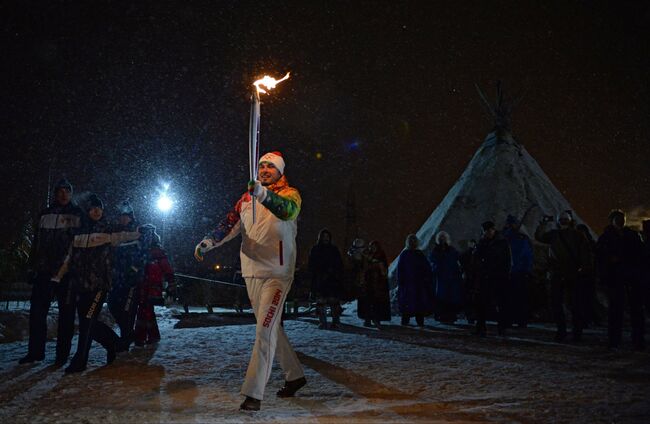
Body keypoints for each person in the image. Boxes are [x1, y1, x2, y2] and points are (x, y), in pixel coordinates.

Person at [194, 151, 306, 411]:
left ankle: (253, 394)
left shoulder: (290, 194)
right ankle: (295, 375)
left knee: (264, 331)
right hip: (251, 271)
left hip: (277, 273)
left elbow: (287, 212)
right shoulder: (245, 198)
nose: (265, 169)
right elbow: (228, 225)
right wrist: (207, 243)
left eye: (270, 166)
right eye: (261, 165)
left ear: (280, 171)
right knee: (271, 328)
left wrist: (262, 194)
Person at [52, 194, 141, 373]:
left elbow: (126, 235)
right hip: (80, 285)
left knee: (87, 321)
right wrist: (58, 276)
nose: (96, 211)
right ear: (87, 210)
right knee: (88, 322)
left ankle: (80, 360)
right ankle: (113, 343)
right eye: (93, 208)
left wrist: (139, 232)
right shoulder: (78, 232)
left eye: (99, 208)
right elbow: (69, 258)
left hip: (100, 285)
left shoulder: (107, 229)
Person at [19, 178, 83, 366]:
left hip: (67, 273)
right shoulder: (44, 214)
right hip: (44, 271)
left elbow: (81, 245)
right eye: (60, 191)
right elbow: (36, 243)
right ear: (55, 194)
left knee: (67, 315)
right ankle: (35, 352)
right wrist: (32, 266)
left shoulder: (78, 215)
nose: (63, 194)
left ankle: (61, 356)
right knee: (37, 313)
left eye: (67, 191)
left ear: (71, 194)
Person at [535, 211, 593, 342]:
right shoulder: (557, 235)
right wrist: (543, 224)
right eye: (562, 220)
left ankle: (573, 332)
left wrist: (583, 270)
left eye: (565, 220)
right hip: (560, 272)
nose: (563, 222)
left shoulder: (577, 235)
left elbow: (585, 254)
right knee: (560, 304)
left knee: (572, 304)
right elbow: (539, 236)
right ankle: (565, 331)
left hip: (571, 273)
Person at [596, 210, 644, 350]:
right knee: (616, 310)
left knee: (635, 310)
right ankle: (615, 340)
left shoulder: (631, 235)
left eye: (622, 218)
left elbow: (640, 254)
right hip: (615, 278)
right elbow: (601, 257)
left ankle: (637, 340)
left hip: (631, 277)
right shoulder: (606, 238)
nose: (620, 221)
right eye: (617, 219)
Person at [108, 201, 144, 352]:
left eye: (126, 216)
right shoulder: (115, 232)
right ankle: (129, 335)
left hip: (132, 279)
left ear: (131, 217)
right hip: (117, 278)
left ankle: (125, 340)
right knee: (113, 305)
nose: (123, 219)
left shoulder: (138, 230)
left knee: (128, 311)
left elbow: (144, 254)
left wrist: (133, 270)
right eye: (121, 216)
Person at [134, 224, 175, 347]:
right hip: (143, 285)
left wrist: (171, 282)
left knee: (145, 310)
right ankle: (149, 335)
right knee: (145, 310)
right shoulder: (141, 249)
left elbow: (165, 267)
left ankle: (143, 337)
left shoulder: (155, 251)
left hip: (151, 285)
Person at [473, 221, 512, 337]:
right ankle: (481, 327)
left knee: (501, 303)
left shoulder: (502, 243)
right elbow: (476, 258)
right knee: (481, 303)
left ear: (493, 230)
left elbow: (507, 260)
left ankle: (502, 327)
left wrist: (505, 274)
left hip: (499, 276)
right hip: (485, 277)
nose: (487, 233)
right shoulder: (482, 242)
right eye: (485, 231)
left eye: (489, 230)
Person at [308, 228, 344, 329]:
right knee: (321, 302)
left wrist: (335, 274)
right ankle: (322, 322)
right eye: (324, 237)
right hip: (320, 279)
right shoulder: (315, 249)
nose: (325, 239)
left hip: (332, 279)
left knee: (334, 302)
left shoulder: (334, 249)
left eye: (327, 237)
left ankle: (335, 322)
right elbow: (311, 265)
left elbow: (339, 264)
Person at [503, 214, 534, 328]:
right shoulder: (507, 237)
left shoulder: (520, 238)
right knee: (512, 297)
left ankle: (519, 320)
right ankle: (514, 319)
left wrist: (527, 269)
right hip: (512, 272)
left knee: (519, 297)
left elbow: (527, 256)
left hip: (519, 272)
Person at [396, 234, 434, 326]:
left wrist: (426, 278)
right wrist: (401, 280)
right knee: (407, 302)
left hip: (418, 283)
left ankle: (419, 321)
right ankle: (405, 321)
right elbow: (400, 268)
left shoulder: (419, 254)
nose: (412, 242)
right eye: (411, 241)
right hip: (408, 283)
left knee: (418, 302)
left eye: (414, 241)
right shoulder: (405, 254)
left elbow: (426, 267)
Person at [429, 231, 463, 324]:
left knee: (450, 297)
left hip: (450, 278)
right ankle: (442, 316)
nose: (442, 240)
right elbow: (432, 261)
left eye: (443, 238)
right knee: (442, 298)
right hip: (441, 278)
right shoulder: (435, 251)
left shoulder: (451, 250)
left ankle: (450, 316)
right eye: (441, 238)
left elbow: (458, 259)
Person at [357, 240, 392, 328]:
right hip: (368, 283)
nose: (372, 248)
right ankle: (368, 319)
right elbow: (364, 267)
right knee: (368, 302)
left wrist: (374, 263)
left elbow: (382, 268)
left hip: (378, 284)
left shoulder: (380, 255)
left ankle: (376, 319)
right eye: (371, 246)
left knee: (377, 303)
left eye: (374, 246)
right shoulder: (367, 255)